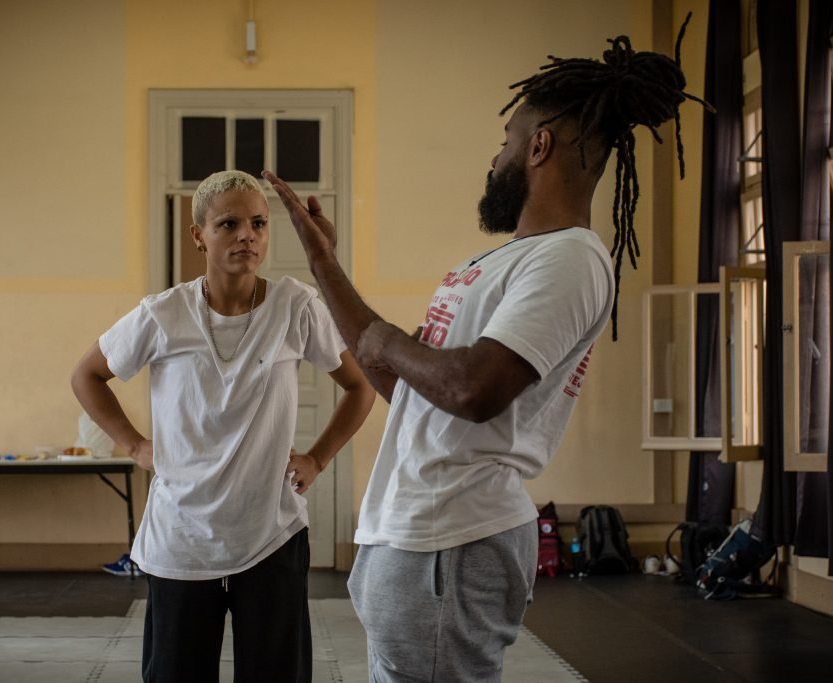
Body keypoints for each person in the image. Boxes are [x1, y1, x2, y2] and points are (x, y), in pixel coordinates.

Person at [264, 25, 708, 682]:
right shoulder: (499, 260)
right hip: (420, 537)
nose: (495, 157)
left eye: (505, 142)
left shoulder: (571, 260)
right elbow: (416, 384)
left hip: (454, 539)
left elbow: (474, 388)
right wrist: (325, 263)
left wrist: (388, 339)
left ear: (539, 145)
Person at [71, 169, 375, 682]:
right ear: (199, 235)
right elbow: (87, 375)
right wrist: (136, 446)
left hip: (270, 534)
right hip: (182, 537)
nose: (246, 236)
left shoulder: (295, 305)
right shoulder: (163, 314)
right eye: (229, 224)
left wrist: (318, 458)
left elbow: (360, 385)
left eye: (258, 223)